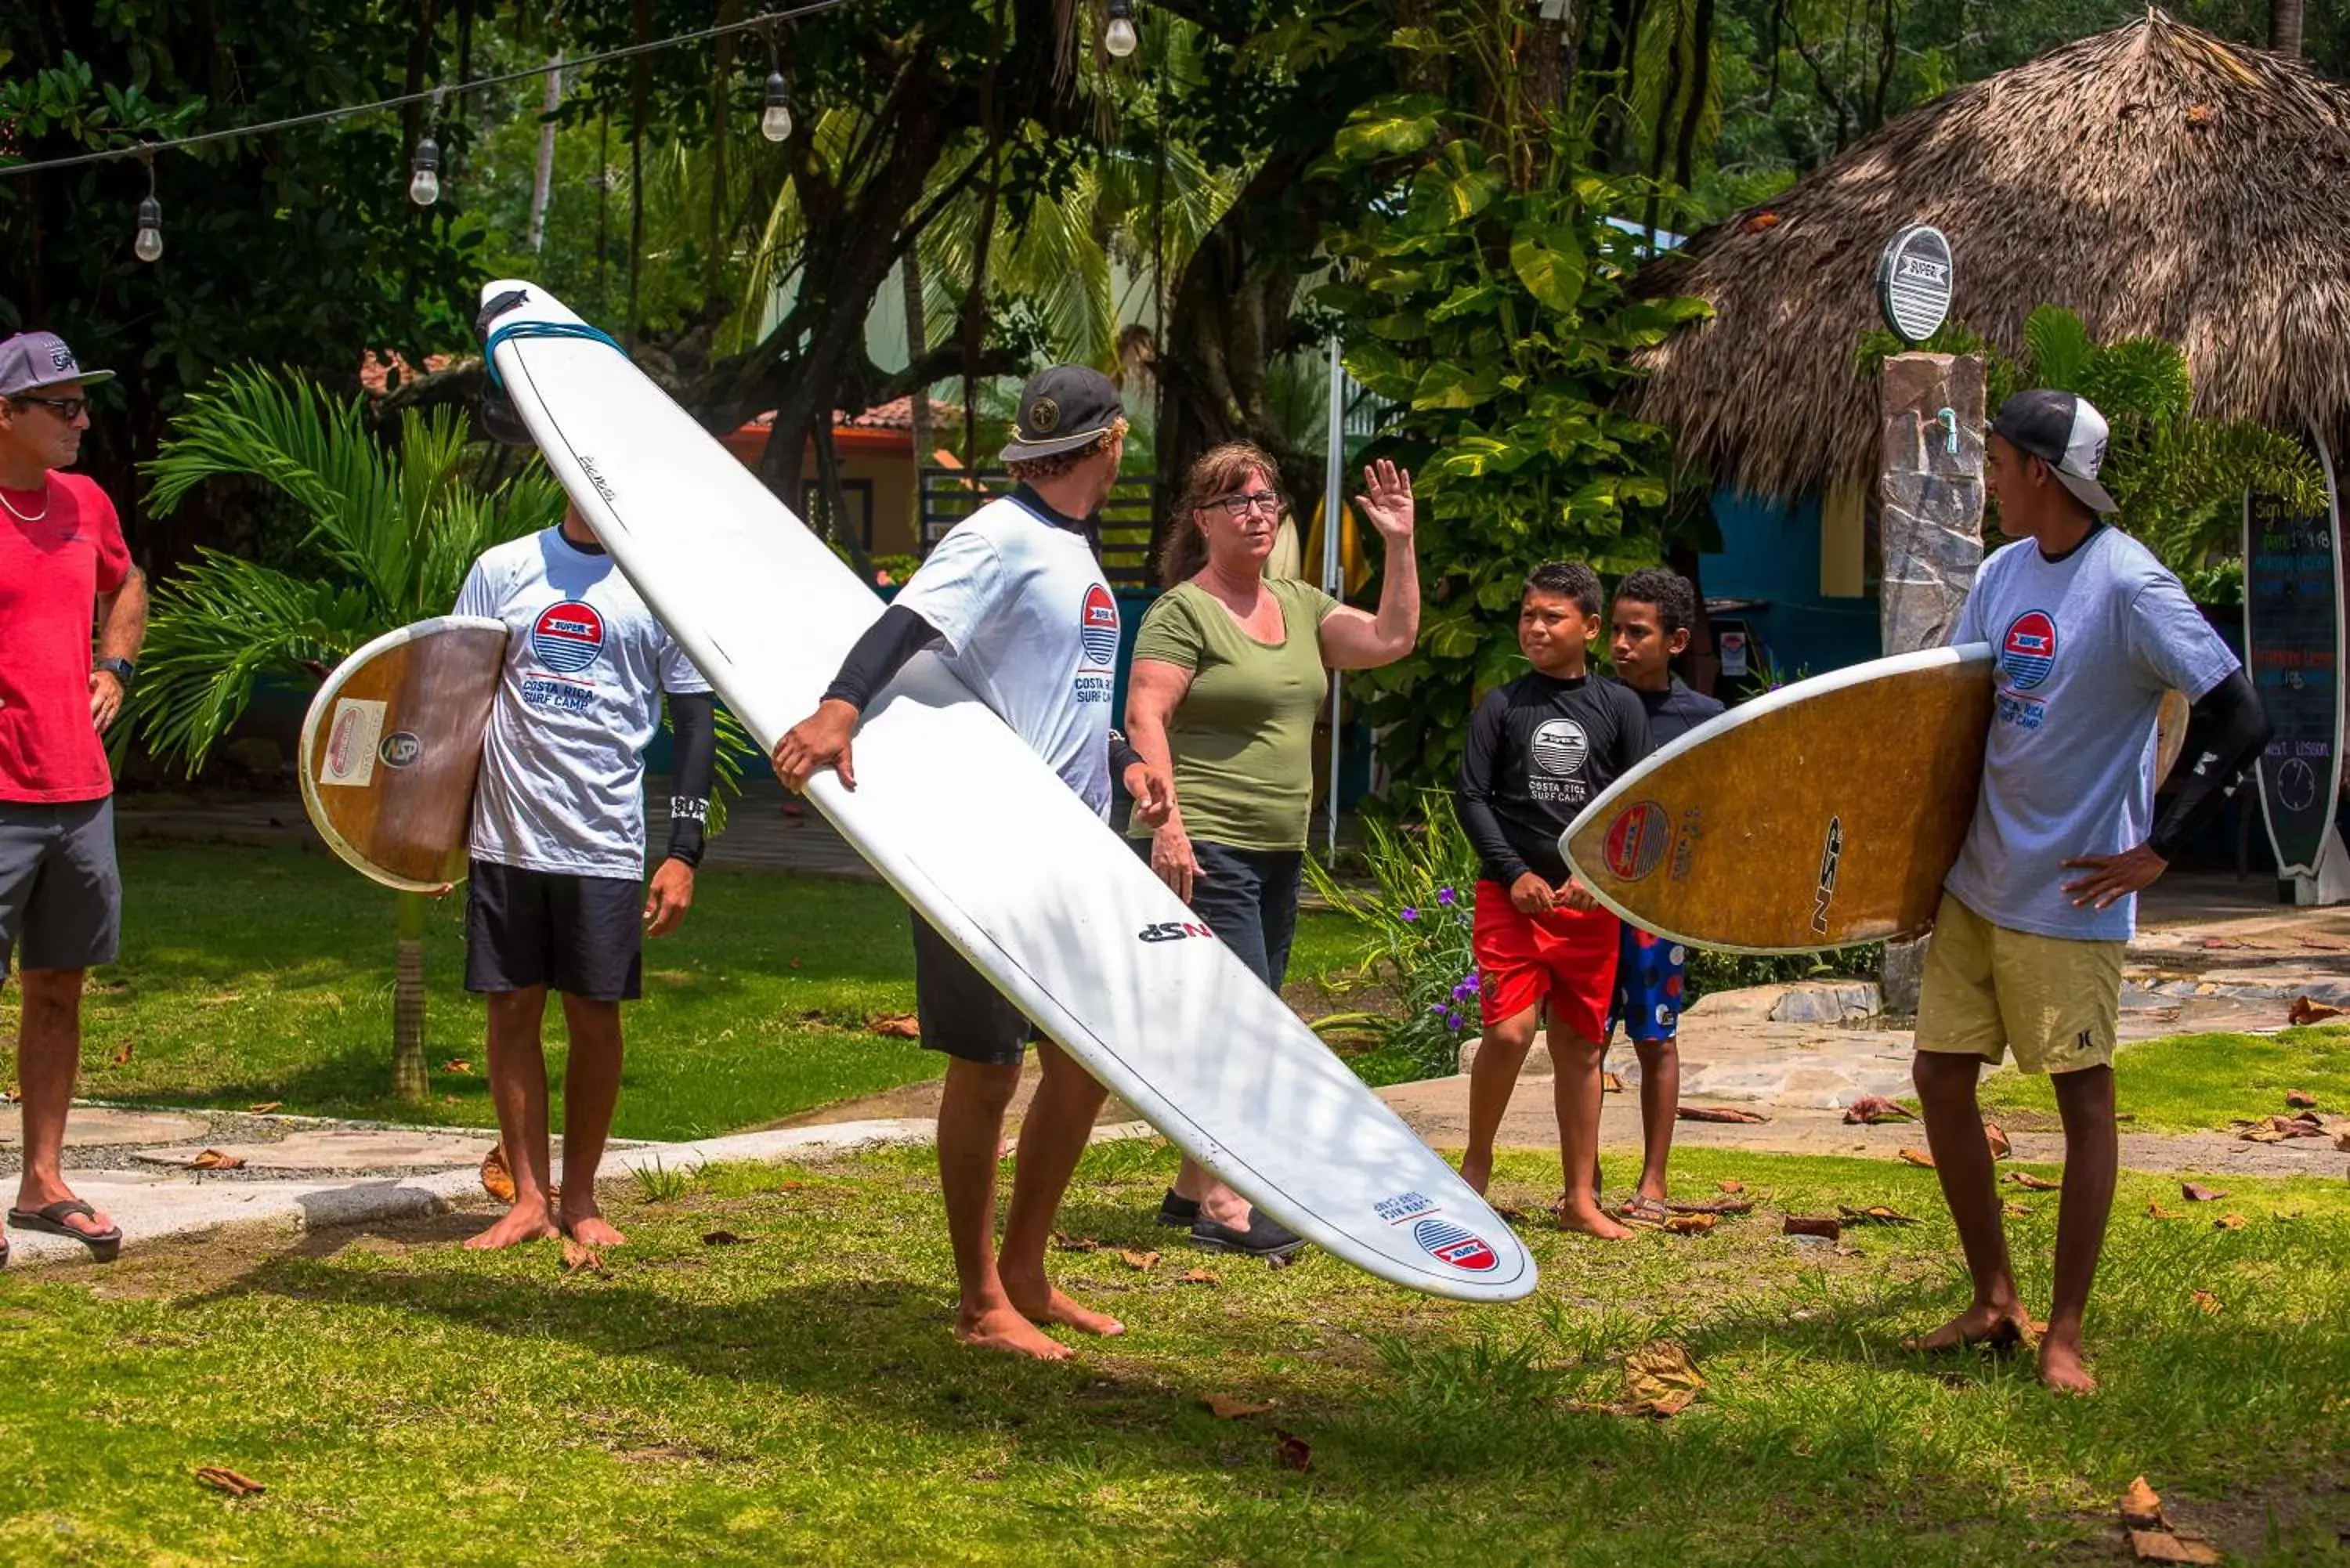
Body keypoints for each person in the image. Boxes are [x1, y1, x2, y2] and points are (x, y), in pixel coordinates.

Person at [770, 366, 1168, 1360]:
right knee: (988, 1068)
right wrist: (840, 704)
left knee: (1086, 1060)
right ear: (1111, 442)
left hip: (1071, 845)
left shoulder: (1072, 548)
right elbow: (907, 621)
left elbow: (1058, 692)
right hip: (986, 844)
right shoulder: (998, 533)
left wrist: (1122, 761)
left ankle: (1028, 1266)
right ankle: (978, 1294)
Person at [1909, 390, 2269, 1394]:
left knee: (2084, 1102)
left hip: (2069, 895)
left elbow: (2241, 715)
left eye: (1995, 461)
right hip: (1978, 883)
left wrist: (2160, 846)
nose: (1987, 478)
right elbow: (1960, 718)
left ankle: (2064, 1331)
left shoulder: (2131, 585)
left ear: (2039, 470)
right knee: (1940, 1077)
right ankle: (1993, 1297)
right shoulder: (2001, 571)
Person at [1123, 444, 1419, 1257]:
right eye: (1237, 501)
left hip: (1278, 848)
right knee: (1244, 1024)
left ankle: (1189, 1190)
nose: (1258, 512)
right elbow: (1145, 712)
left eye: (1267, 500)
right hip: (1209, 845)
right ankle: (1225, 1197)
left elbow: (1393, 637)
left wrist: (1399, 541)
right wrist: (1168, 825)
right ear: (1203, 519)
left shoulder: (1298, 603)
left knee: (1244, 1015)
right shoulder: (1183, 612)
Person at [453, 503, 718, 1251]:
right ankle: (528, 1198)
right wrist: (431, 835)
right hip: (506, 838)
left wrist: (683, 849)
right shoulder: (502, 569)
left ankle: (583, 1196)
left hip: (603, 845)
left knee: (595, 1021)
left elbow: (695, 726)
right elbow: (457, 699)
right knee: (511, 1012)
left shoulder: (659, 585)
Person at [0, 333, 146, 1267]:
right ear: (5, 414)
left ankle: (43, 1181)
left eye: (82, 403)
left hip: (78, 790)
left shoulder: (85, 503)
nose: (81, 420)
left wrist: (115, 666)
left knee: (58, 988)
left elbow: (128, 581)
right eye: (61, 405)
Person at [1456, 562, 1650, 1237]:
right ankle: (1474, 1170)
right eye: (1529, 614)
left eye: (1553, 616)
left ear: (1590, 629)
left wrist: (1600, 880)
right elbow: (1473, 798)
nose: (1536, 627)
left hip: (1586, 908)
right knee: (1509, 1032)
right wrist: (1512, 873)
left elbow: (1637, 805)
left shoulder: (1621, 707)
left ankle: (1579, 1200)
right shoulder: (1502, 706)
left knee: (1581, 1046)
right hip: (1512, 900)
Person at [1600, 567, 1723, 1223]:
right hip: (1589, 904)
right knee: (1583, 1039)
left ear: (1675, 642)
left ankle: (1653, 1179)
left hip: (1656, 911)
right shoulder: (1586, 704)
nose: (1621, 644)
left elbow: (1719, 813)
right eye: (1616, 630)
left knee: (1656, 1039)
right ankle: (1580, 1172)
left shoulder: (1704, 723)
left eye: (1637, 633)